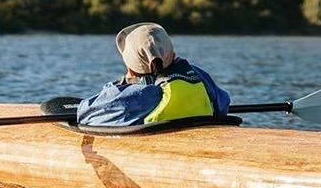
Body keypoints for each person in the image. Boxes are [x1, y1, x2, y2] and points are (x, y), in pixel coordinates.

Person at [76, 22, 233, 128]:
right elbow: (223, 105)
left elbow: (85, 115)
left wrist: (116, 87)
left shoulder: (139, 96)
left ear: (129, 68)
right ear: (173, 55)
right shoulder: (198, 76)